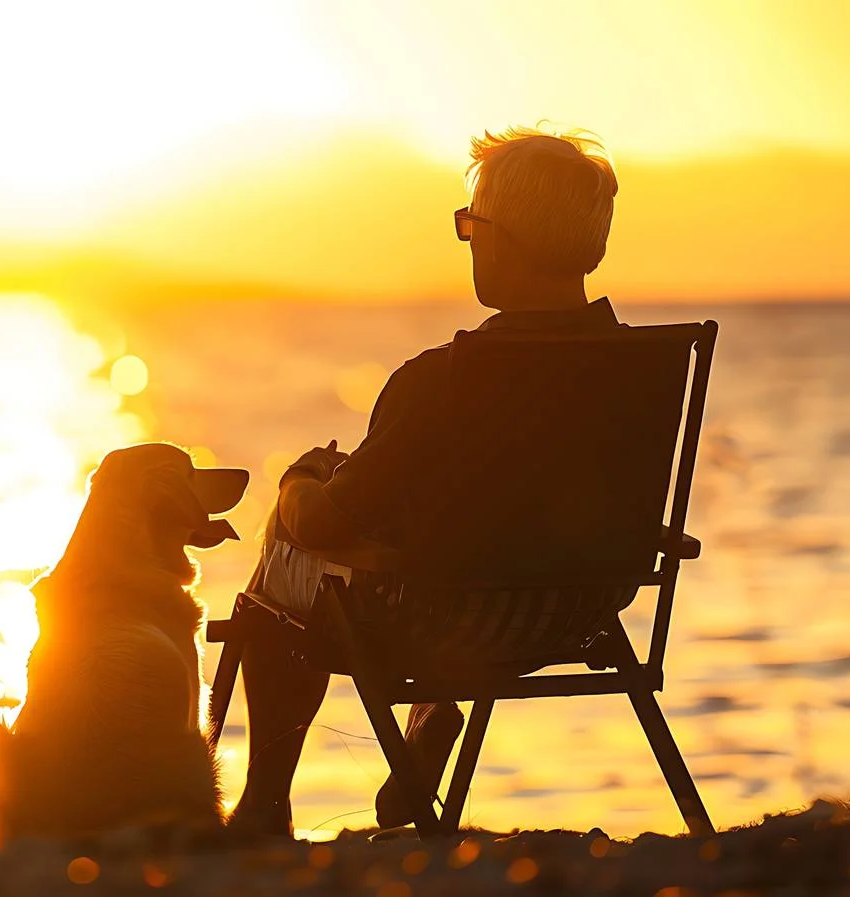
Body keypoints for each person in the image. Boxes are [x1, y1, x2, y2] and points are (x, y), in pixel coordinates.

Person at [226, 126, 624, 836]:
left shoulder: (442, 380)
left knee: (286, 561)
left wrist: (298, 483)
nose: (469, 239)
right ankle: (428, 723)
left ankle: (264, 805)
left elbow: (326, 526)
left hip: (441, 625)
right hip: (582, 614)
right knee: (429, 527)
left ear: (502, 238)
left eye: (471, 224)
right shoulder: (641, 372)